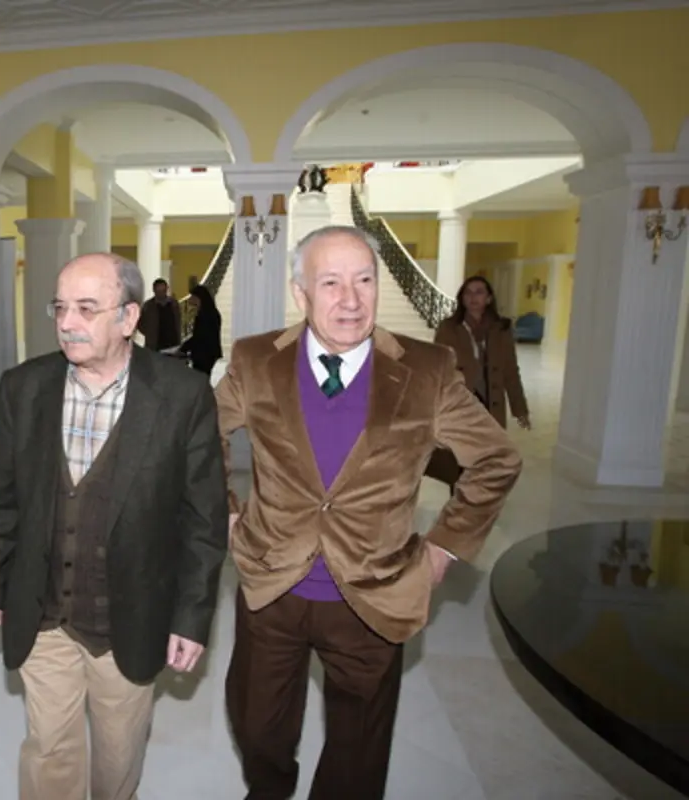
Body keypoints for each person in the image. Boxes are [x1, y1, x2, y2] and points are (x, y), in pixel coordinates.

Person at [215, 226, 522, 800]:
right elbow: (196, 440)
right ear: (301, 292)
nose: (350, 300)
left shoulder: (428, 370)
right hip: (271, 588)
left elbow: (497, 459)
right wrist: (226, 516)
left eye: (364, 280)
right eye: (330, 282)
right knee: (258, 730)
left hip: (375, 594)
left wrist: (444, 546)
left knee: (358, 755)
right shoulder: (256, 359)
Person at [0, 252, 229, 800]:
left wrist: (191, 616)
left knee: (117, 759)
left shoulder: (182, 396)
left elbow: (204, 522)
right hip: (42, 611)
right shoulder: (24, 387)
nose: (68, 322)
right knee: (49, 749)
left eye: (87, 308)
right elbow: (1, 501)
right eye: (61, 307)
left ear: (129, 318)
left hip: (129, 618)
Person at [426, 275, 531, 489]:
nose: (473, 297)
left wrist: (520, 409)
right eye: (468, 292)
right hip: (461, 401)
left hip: (492, 402)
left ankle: (480, 496)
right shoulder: (449, 328)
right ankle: (459, 494)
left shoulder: (501, 329)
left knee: (488, 453)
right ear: (462, 298)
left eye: (479, 292)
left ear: (489, 298)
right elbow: (438, 366)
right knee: (459, 453)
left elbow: (511, 371)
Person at [179, 284, 224, 376]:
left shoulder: (205, 315)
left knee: (200, 379)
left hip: (204, 354)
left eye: (192, 296)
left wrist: (183, 348)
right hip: (209, 353)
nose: (190, 299)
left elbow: (199, 336)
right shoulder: (211, 312)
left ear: (198, 298)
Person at [138, 277, 182, 351]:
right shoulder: (148, 306)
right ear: (154, 290)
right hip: (155, 345)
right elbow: (140, 324)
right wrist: (150, 333)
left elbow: (178, 320)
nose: (161, 293)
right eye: (159, 291)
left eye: (163, 290)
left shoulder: (174, 303)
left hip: (173, 343)